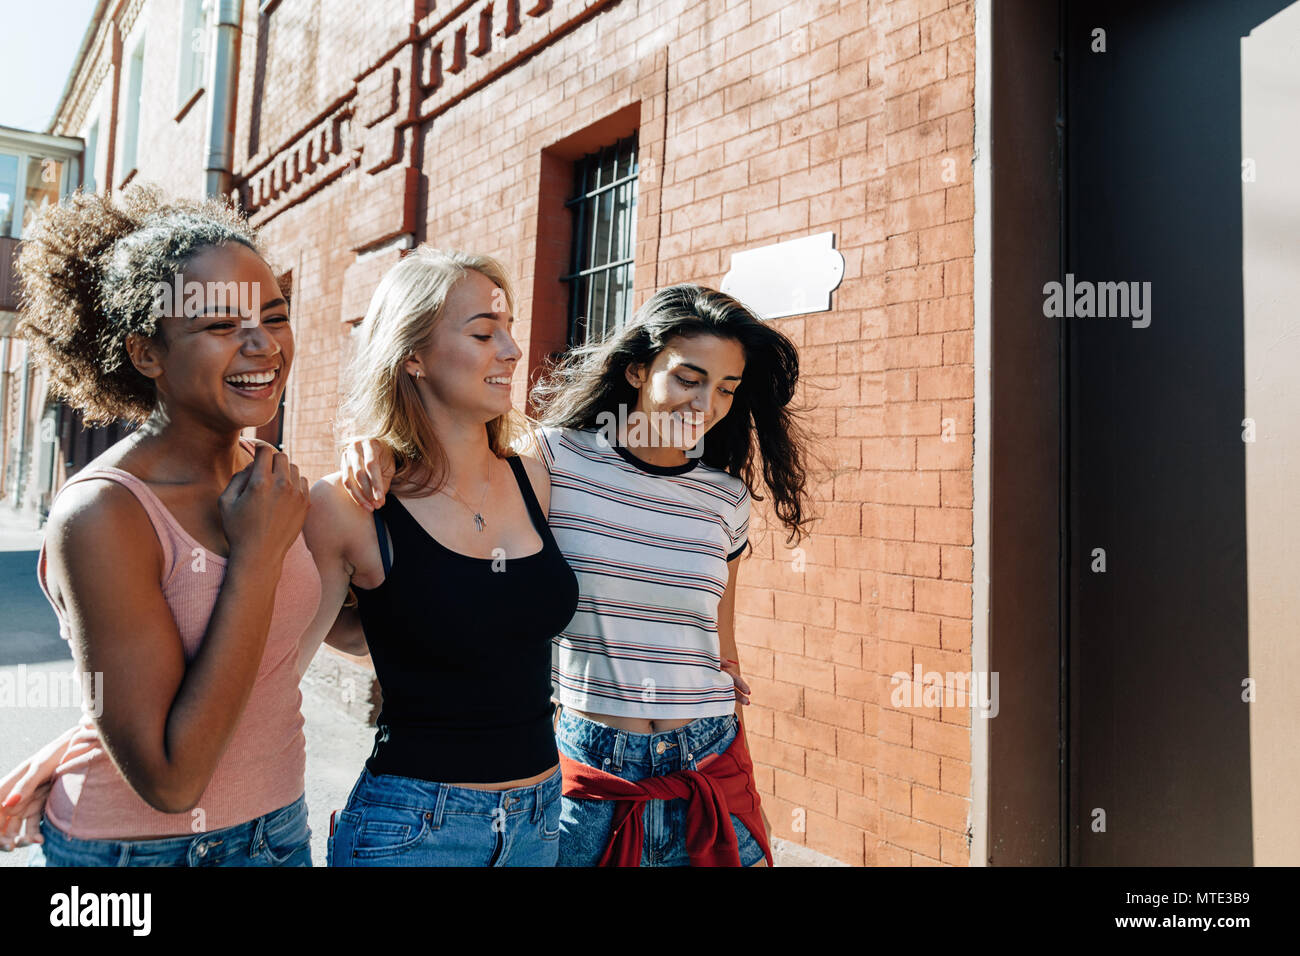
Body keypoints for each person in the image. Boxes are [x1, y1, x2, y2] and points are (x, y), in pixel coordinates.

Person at [340, 283, 811, 866]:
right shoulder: (554, 461)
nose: (706, 403)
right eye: (689, 378)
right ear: (638, 370)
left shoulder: (727, 499)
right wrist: (381, 448)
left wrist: (746, 790)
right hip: (591, 774)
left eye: (726, 389)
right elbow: (455, 475)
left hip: (709, 767)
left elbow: (722, 645)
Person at [2, 186, 324, 866]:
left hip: (280, 832)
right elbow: (172, 780)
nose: (263, 344)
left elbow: (295, 646)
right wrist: (255, 561)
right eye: (218, 327)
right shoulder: (104, 513)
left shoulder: (267, 476)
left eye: (274, 315)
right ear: (147, 353)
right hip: (139, 853)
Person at [307, 247, 579, 866]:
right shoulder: (352, 503)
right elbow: (289, 651)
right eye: (484, 332)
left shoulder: (535, 477)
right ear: (413, 355)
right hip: (412, 829)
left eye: (508, 331)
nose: (512, 350)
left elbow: (439, 620)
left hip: (540, 822)